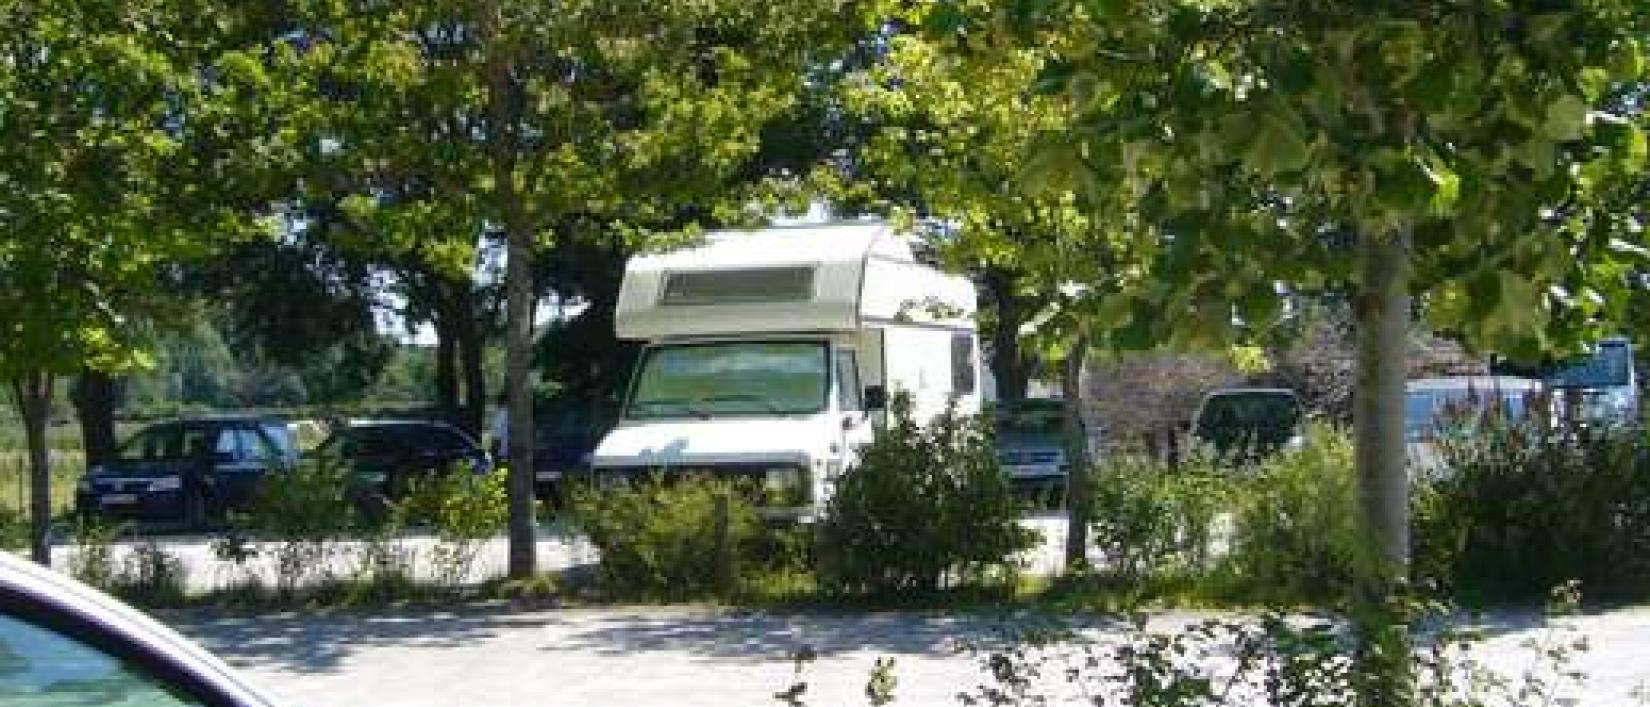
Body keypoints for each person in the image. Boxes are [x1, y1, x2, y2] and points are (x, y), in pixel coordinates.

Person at [489, 393, 509, 460]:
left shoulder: (501, 413)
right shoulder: (501, 413)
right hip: (502, 451)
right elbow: (496, 432)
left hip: (504, 449)